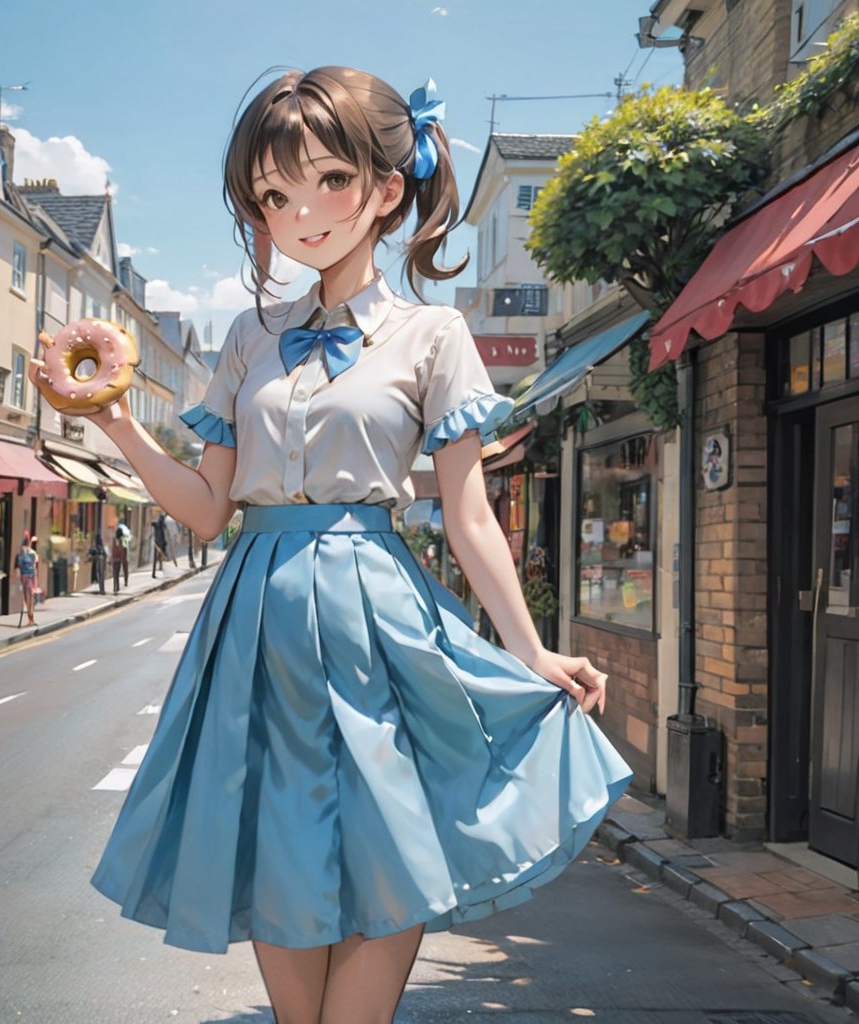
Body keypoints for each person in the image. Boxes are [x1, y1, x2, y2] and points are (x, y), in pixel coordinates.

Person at [31, 66, 630, 1024]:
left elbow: (470, 514)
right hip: (256, 615)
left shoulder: (433, 333)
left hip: (375, 609)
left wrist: (530, 649)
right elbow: (203, 511)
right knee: (280, 839)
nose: (301, 213)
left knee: (386, 835)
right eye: (273, 195)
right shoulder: (246, 336)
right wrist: (114, 423)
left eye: (330, 182)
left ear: (387, 191)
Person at [14, 537, 38, 626]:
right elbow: (34, 568)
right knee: (30, 598)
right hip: (30, 578)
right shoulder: (32, 555)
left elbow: (17, 569)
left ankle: (30, 618)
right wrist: (35, 581)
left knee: (27, 598)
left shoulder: (19, 555)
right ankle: (30, 618)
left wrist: (19, 580)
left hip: (24, 578)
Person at [151, 513, 169, 578]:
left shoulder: (158, 524)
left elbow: (153, 524)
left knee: (157, 556)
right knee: (158, 555)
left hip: (158, 541)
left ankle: (156, 570)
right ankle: (155, 571)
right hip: (159, 541)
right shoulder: (160, 524)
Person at [109, 530, 126, 594]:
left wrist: (112, 558)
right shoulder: (120, 541)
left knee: (115, 574)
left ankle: (115, 587)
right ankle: (116, 587)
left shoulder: (114, 540)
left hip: (115, 559)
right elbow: (121, 550)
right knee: (117, 574)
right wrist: (121, 559)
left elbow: (113, 549)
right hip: (118, 559)